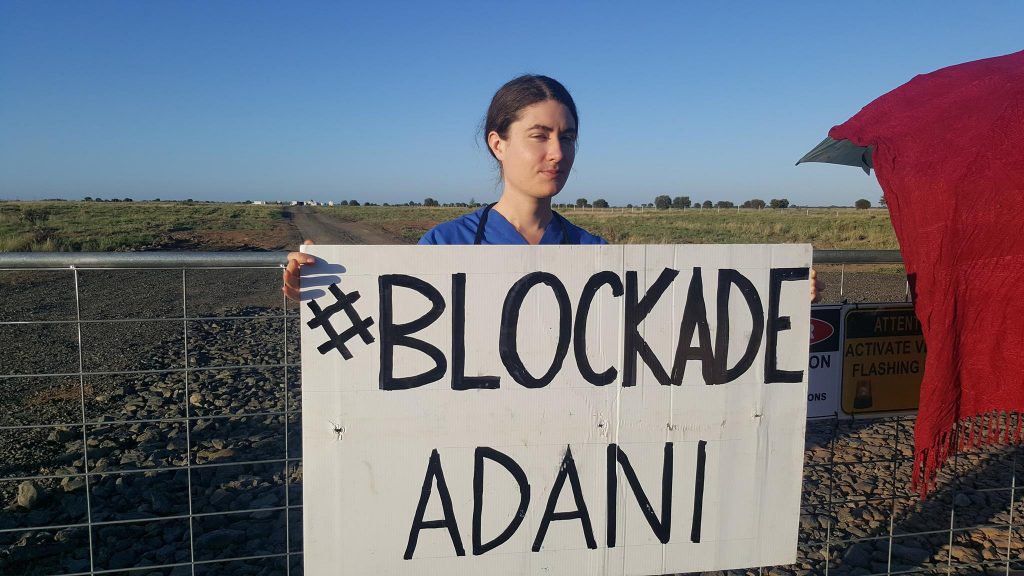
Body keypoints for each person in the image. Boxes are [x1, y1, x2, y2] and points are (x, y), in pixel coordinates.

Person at [283, 74, 821, 301]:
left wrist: (780, 301)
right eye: (539, 136)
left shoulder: (595, 255)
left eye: (567, 137)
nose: (557, 154)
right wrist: (318, 291)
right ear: (497, 143)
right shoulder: (444, 247)